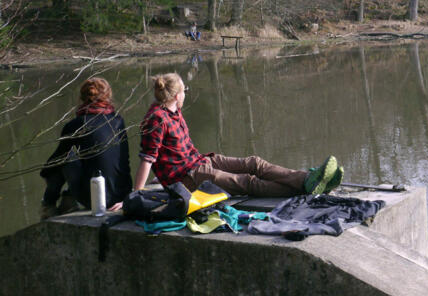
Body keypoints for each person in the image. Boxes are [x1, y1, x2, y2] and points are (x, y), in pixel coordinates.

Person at [132, 73, 342, 199]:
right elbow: (147, 159)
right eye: (184, 90)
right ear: (177, 95)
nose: (186, 93)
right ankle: (304, 189)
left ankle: (307, 179)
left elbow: (166, 156)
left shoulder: (173, 111)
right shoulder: (156, 119)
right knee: (247, 182)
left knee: (254, 163)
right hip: (188, 178)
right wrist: (137, 193)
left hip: (199, 162)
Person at [39, 78, 132, 219]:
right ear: (108, 96)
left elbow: (56, 161)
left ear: (82, 98)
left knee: (66, 156)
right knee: (90, 158)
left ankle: (48, 205)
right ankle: (68, 200)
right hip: (121, 196)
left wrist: (44, 173)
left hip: (96, 200)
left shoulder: (77, 124)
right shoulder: (118, 120)